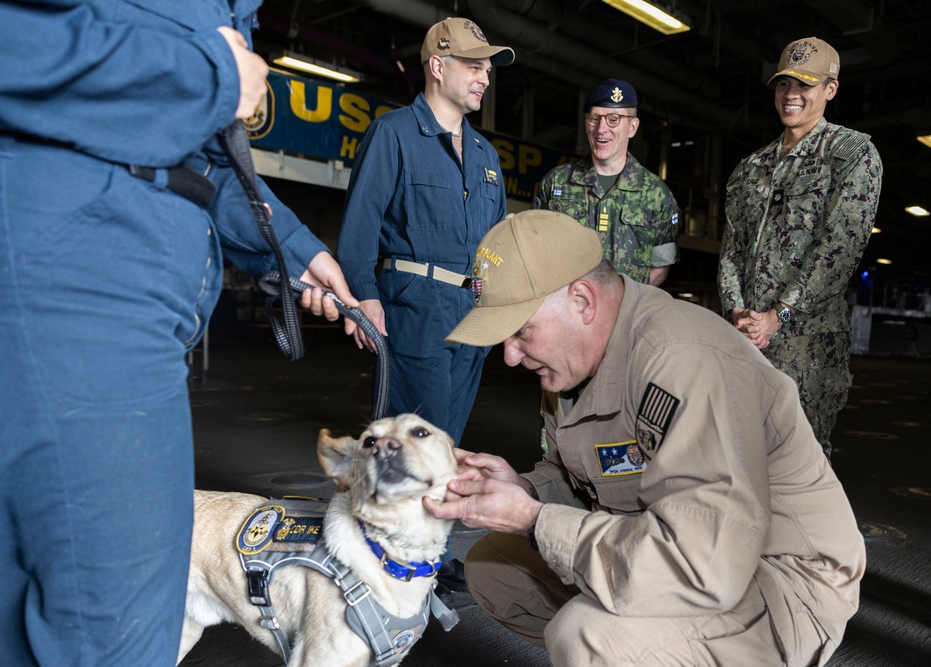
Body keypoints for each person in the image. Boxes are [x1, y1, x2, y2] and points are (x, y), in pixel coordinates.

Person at [0, 3, 358, 665]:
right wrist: (205, 75)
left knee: (65, 625)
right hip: (70, 277)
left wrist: (291, 247)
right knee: (118, 636)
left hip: (91, 284)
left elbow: (191, 160)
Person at [424, 210, 865, 666]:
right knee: (496, 568)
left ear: (581, 301)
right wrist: (526, 491)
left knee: (589, 637)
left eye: (520, 331)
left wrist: (535, 521)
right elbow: (583, 475)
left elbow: (706, 566)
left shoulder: (681, 359)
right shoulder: (571, 366)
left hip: (777, 580)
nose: (511, 357)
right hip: (676, 543)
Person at [336, 17, 514, 592]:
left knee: (446, 447)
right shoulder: (394, 133)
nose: (485, 77)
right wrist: (363, 297)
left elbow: (497, 244)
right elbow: (360, 226)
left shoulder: (486, 154)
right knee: (401, 446)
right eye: (474, 64)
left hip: (472, 315)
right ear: (438, 65)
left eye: (488, 67)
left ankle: (427, 559)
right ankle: (374, 560)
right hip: (414, 308)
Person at [718, 37, 882, 460]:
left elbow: (840, 249)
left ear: (831, 88)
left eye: (804, 85)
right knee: (738, 454)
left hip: (806, 347)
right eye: (783, 84)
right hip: (747, 339)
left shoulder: (851, 154)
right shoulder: (750, 168)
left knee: (800, 463)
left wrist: (780, 314)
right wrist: (737, 312)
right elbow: (732, 248)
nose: (791, 95)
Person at [534, 78, 680, 286]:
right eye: (594, 118)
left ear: (632, 127)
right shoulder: (556, 182)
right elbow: (536, 249)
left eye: (613, 119)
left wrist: (621, 303)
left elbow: (660, 266)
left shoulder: (657, 195)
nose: (601, 128)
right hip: (565, 312)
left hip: (626, 314)